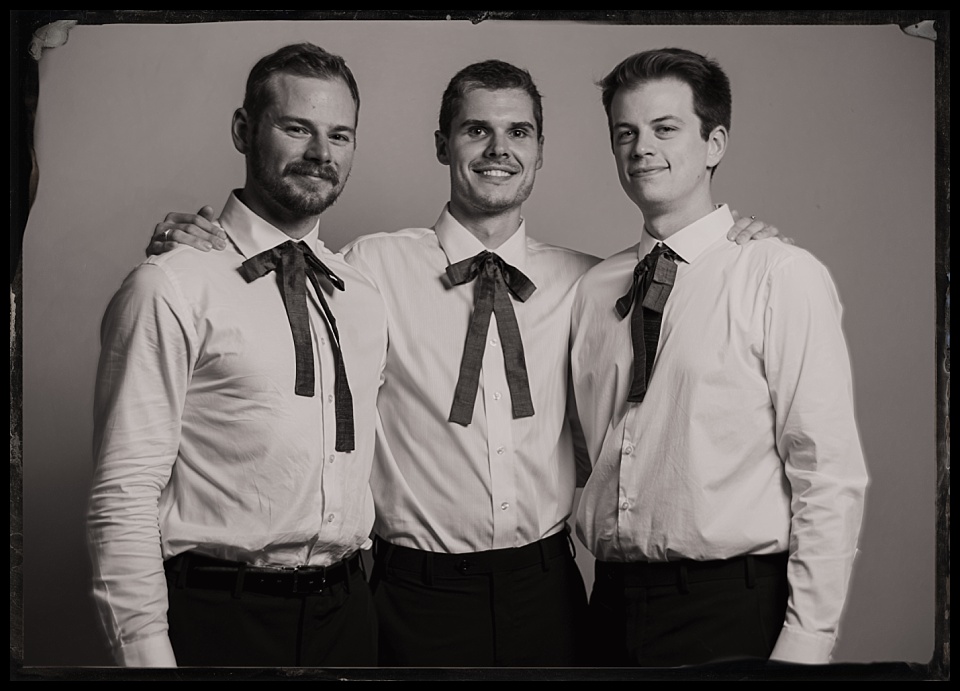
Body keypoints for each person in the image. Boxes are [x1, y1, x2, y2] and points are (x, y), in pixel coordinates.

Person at [148, 59, 778, 667]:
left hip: (547, 589)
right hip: (409, 594)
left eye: (518, 132)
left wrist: (736, 245)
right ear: (443, 145)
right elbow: (274, 285)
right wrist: (201, 246)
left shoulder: (591, 284)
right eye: (477, 129)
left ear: (539, 150)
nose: (498, 148)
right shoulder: (368, 268)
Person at [87, 43, 386, 667]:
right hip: (220, 617)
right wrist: (146, 659)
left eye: (340, 135)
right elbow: (123, 492)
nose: (321, 154)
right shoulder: (171, 284)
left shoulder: (360, 291)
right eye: (297, 128)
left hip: (348, 616)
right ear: (244, 130)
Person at [570, 47, 868, 667]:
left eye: (665, 128)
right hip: (610, 604)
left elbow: (826, 469)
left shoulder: (777, 274)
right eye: (625, 133)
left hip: (728, 606)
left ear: (715, 144)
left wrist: (806, 642)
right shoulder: (596, 289)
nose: (641, 148)